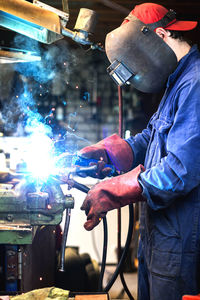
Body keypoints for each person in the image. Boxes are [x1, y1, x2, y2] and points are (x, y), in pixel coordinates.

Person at [78, 3, 200, 300]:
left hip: (181, 243)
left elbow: (180, 170)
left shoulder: (196, 83)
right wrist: (114, 151)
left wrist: (117, 190)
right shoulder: (177, 80)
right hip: (158, 238)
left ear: (160, 34)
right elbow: (153, 136)